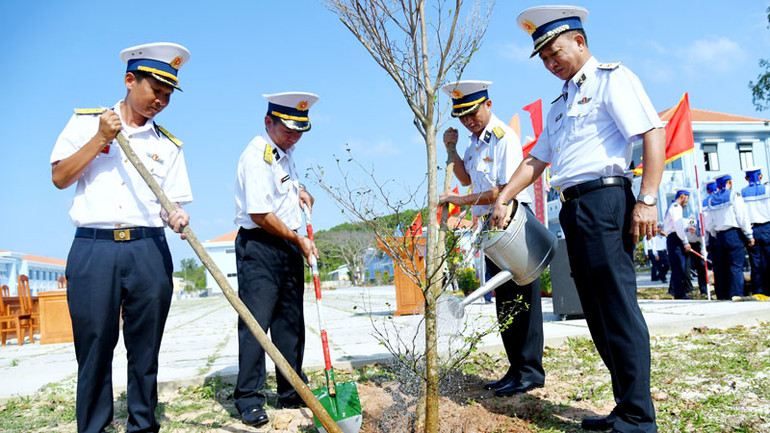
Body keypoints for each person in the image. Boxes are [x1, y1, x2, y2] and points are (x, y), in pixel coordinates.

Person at [492, 6, 665, 432]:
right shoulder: (560, 103)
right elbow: (538, 158)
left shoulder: (611, 79)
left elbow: (652, 132)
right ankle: (625, 408)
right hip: (574, 208)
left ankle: (639, 417)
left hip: (606, 200)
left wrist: (647, 198)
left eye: (555, 52)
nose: (551, 63)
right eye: (545, 58)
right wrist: (505, 197)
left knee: (617, 308)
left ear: (580, 42)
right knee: (596, 311)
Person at [50, 42, 192, 433]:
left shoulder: (168, 145)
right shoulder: (85, 122)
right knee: (95, 346)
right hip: (94, 249)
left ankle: (143, 426)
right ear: (130, 81)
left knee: (145, 348)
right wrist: (99, 139)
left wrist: (176, 214)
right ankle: (93, 427)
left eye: (167, 95)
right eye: (155, 91)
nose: (161, 101)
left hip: (149, 249)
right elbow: (60, 178)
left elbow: (171, 203)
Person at [439, 80, 545, 397]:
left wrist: (460, 201)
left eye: (473, 113)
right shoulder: (474, 143)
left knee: (523, 300)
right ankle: (515, 369)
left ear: (487, 104)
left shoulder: (503, 138)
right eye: (463, 116)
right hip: (490, 227)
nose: (469, 120)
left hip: (512, 221)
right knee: (505, 302)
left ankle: (530, 372)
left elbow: (504, 189)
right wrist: (452, 150)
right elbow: (466, 178)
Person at [233, 91, 319, 427]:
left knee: (290, 323)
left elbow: (281, 190)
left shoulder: (285, 153)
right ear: (268, 122)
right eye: (288, 130)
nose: (294, 136)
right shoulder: (257, 157)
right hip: (261, 246)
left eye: (299, 131)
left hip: (287, 245)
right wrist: (297, 238)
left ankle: (291, 389)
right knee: (256, 324)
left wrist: (300, 191)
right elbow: (259, 213)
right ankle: (249, 397)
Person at [708, 174, 754, 300]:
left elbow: (709, 223)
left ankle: (723, 295)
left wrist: (714, 234)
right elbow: (742, 217)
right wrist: (748, 234)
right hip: (733, 234)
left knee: (722, 267)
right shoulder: (734, 195)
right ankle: (736, 294)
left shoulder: (712, 200)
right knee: (736, 266)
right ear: (728, 182)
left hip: (719, 236)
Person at [741, 167, 770, 295]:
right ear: (761, 176)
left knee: (755, 263)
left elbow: (743, 217)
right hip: (768, 228)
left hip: (752, 230)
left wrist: (748, 234)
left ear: (746, 179)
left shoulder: (743, 193)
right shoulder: (768, 190)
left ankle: (758, 291)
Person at [664, 190, 692, 299]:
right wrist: (685, 241)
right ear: (682, 196)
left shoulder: (672, 206)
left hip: (673, 238)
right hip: (676, 239)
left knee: (678, 267)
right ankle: (680, 293)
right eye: (687, 198)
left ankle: (678, 292)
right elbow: (678, 226)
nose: (687, 201)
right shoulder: (676, 207)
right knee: (679, 267)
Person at [684, 217, 708, 295]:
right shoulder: (684, 230)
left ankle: (703, 289)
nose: (692, 231)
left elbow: (703, 245)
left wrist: (704, 256)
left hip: (697, 246)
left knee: (701, 267)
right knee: (685, 268)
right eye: (690, 229)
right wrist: (685, 244)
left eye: (694, 229)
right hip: (686, 245)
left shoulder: (701, 233)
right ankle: (688, 288)